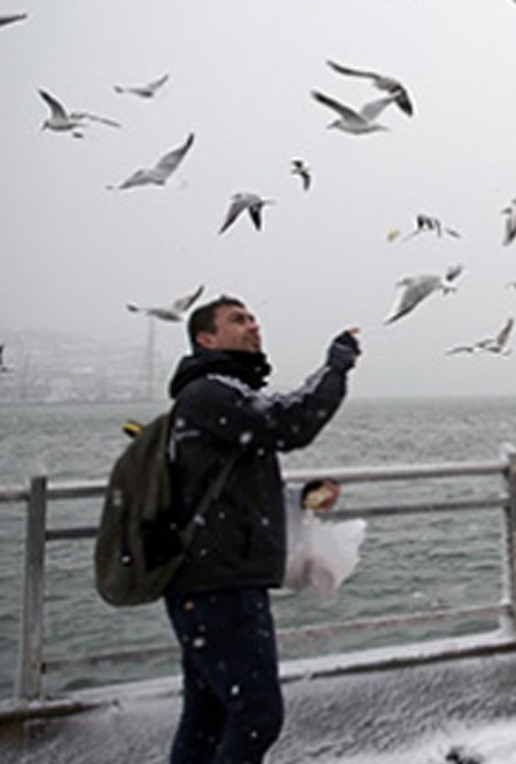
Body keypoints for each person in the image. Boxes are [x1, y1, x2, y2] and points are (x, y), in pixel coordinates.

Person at [162, 295, 360, 764]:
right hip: (219, 585)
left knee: (208, 715)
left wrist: (298, 496)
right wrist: (334, 370)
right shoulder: (210, 393)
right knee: (257, 714)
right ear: (205, 339)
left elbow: (233, 480)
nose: (253, 326)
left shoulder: (214, 396)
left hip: (208, 582)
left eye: (252, 317)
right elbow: (290, 423)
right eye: (237, 320)